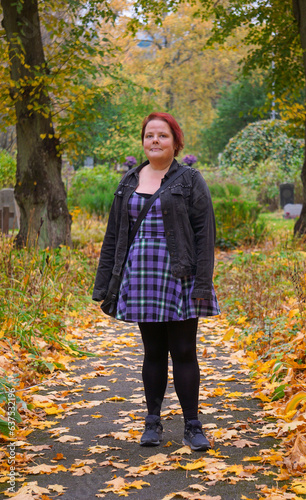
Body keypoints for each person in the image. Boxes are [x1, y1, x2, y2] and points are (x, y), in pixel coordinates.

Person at [92, 112, 220, 451]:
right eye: (150, 135)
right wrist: (105, 284)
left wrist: (202, 283)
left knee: (183, 350)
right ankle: (152, 422)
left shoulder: (190, 180)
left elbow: (205, 233)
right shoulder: (128, 182)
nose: (155, 141)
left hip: (180, 276)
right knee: (152, 352)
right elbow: (113, 237)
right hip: (141, 277)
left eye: (162, 136)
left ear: (175, 142)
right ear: (143, 141)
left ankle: (192, 425)